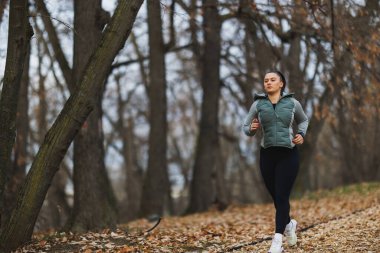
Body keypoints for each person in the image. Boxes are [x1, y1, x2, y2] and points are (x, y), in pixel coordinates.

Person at [242, 70, 309, 253]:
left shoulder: (293, 103)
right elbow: (245, 127)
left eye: (273, 80)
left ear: (281, 84)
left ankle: (277, 241)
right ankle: (289, 224)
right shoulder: (258, 104)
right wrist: (252, 129)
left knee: (282, 197)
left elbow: (303, 121)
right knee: (276, 198)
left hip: (288, 154)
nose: (268, 83)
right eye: (266, 80)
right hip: (267, 155)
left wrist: (301, 134)